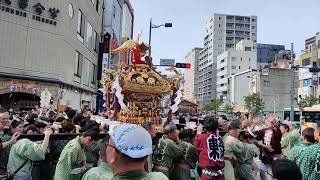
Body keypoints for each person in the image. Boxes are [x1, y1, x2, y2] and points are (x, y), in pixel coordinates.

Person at [252, 115, 282, 180]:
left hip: (275, 156)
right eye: (269, 121)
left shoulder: (277, 130)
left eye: (272, 121)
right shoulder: (263, 130)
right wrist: (253, 124)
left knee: (274, 173)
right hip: (266, 156)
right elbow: (253, 136)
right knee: (262, 171)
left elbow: (279, 135)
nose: (270, 122)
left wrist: (274, 124)